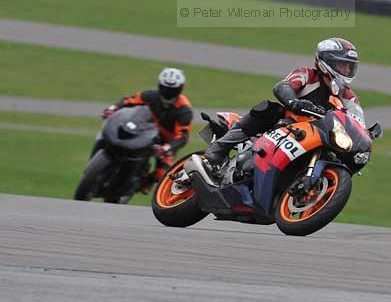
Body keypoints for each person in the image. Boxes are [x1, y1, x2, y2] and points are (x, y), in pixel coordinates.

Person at [204, 37, 363, 168]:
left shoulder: (349, 97)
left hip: (317, 137)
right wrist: (294, 102)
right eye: (343, 65)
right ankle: (219, 148)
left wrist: (365, 134)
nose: (347, 71)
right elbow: (283, 86)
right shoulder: (307, 75)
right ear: (326, 61)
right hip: (287, 125)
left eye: (350, 67)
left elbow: (356, 119)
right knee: (267, 109)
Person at [97, 67, 193, 190]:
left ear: (180, 89)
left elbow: (182, 137)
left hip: (166, 142)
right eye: (165, 88)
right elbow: (128, 100)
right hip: (147, 130)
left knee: (163, 174)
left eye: (172, 90)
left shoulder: (184, 110)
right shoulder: (151, 95)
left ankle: (142, 184)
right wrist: (112, 108)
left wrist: (168, 148)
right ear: (159, 85)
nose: (168, 92)